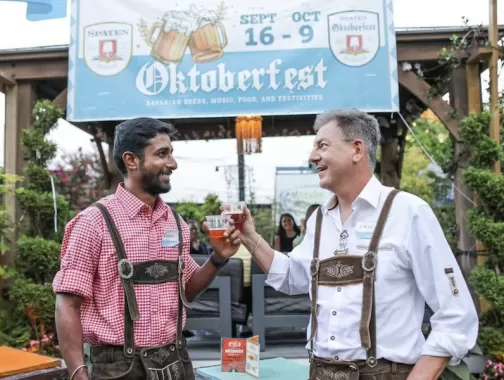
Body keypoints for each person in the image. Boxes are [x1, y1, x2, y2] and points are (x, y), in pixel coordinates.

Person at [236, 109, 478, 380]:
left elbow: (456, 315)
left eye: (322, 145)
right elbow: (293, 276)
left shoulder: (408, 211)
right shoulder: (319, 220)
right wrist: (249, 237)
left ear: (357, 149)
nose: (312, 156)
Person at [53, 118, 241, 380]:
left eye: (171, 154)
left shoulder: (176, 222)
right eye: (162, 154)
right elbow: (67, 306)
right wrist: (77, 374)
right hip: (118, 369)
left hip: (176, 361)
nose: (173, 163)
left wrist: (218, 258)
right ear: (131, 160)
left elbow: (186, 289)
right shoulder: (93, 223)